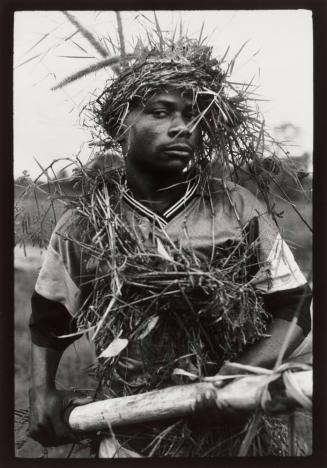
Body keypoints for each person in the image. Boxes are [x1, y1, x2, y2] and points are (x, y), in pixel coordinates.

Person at [28, 37, 312, 457]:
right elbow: (49, 318)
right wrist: (42, 390)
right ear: (120, 124)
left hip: (230, 433)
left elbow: (294, 305)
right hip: (126, 432)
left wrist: (241, 372)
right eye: (161, 112)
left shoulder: (235, 206)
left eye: (193, 115)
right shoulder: (85, 222)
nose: (184, 127)